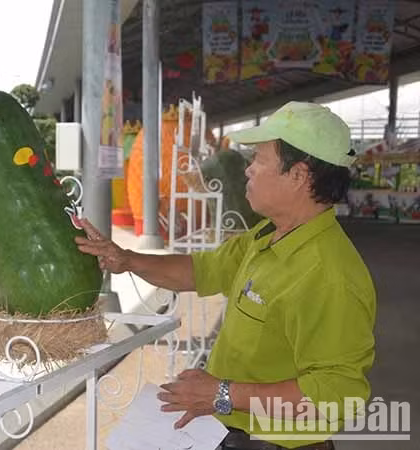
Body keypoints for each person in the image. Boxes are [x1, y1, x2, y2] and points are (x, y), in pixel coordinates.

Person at [75, 101, 376, 450]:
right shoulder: (267, 235)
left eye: (260, 160)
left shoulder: (330, 276)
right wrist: (126, 259)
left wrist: (223, 393)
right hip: (229, 433)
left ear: (299, 176)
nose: (247, 170)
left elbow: (335, 398)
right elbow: (199, 271)